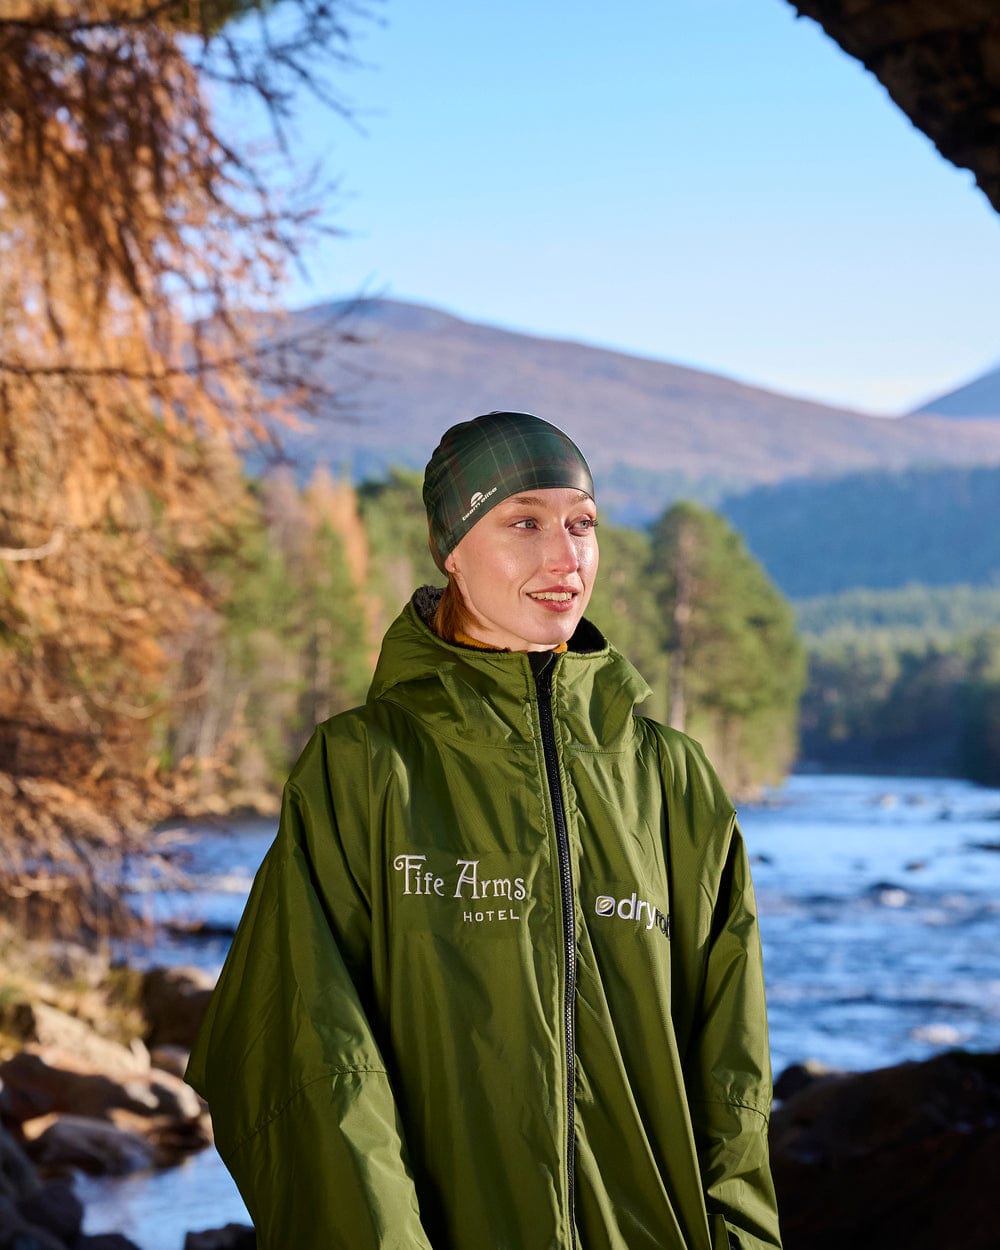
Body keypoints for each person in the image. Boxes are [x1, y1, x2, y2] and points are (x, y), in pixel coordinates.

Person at [186, 411, 782, 1250]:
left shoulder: (671, 779)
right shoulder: (364, 767)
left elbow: (733, 1070)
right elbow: (310, 1058)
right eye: (523, 522)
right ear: (451, 548)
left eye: (582, 524)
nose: (563, 556)